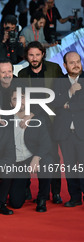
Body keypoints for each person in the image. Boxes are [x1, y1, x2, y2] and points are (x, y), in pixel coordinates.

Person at [18, 41, 63, 204]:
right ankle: (26, 190)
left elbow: (58, 95)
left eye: (37, 54)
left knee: (53, 158)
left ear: (43, 54)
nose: (34, 58)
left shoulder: (53, 69)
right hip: (30, 123)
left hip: (51, 121)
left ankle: (55, 192)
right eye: (31, 55)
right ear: (26, 56)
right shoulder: (22, 74)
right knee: (27, 155)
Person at [8, 87, 53, 212]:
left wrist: (36, 157)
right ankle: (24, 188)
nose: (19, 102)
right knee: (15, 203)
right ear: (11, 103)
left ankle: (42, 198)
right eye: (15, 99)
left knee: (47, 161)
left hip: (31, 157)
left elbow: (46, 143)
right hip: (16, 162)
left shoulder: (37, 119)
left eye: (22, 98)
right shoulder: (5, 121)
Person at [52, 51, 84, 207]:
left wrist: (67, 105)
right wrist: (70, 93)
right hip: (65, 133)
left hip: (82, 132)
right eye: (72, 62)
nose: (76, 65)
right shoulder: (59, 81)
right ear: (64, 65)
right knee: (71, 168)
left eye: (78, 61)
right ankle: (75, 198)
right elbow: (53, 103)